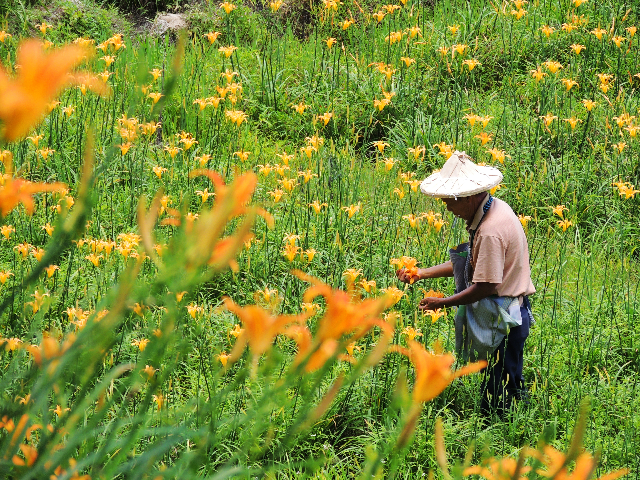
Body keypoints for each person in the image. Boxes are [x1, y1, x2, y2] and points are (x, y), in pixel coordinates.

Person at [396, 151, 535, 418]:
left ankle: (498, 442)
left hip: (506, 321)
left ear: (468, 198)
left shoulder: (490, 231)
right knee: (509, 378)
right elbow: (473, 263)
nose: (446, 207)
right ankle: (520, 415)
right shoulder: (492, 208)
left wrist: (442, 303)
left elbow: (485, 286)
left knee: (496, 398)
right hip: (509, 314)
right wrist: (421, 273)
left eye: (450, 201)